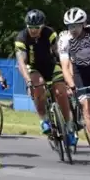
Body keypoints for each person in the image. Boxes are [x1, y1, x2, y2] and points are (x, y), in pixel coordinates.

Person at [58, 7, 90, 167]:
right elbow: (65, 67)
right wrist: (72, 85)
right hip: (79, 71)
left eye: (76, 25)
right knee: (87, 108)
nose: (72, 29)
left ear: (84, 24)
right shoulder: (64, 40)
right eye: (69, 26)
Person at [15, 9, 75, 145]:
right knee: (38, 85)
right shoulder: (21, 38)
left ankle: (68, 125)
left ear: (42, 26)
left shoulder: (50, 33)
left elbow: (59, 53)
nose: (34, 30)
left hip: (50, 65)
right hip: (33, 67)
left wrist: (68, 75)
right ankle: (43, 119)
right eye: (31, 27)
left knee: (61, 92)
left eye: (37, 27)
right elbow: (21, 63)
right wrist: (28, 82)